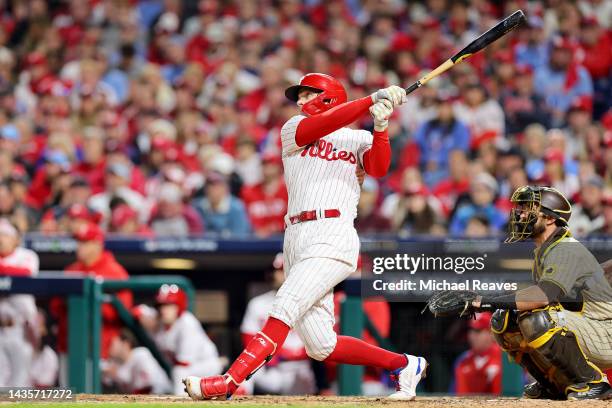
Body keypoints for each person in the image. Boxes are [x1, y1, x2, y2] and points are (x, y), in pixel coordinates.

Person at [183, 73, 427, 400]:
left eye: (306, 94)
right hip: (296, 235)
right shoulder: (293, 129)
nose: (299, 101)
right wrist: (371, 100)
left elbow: (380, 168)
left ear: (327, 96)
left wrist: (380, 128)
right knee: (320, 345)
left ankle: (229, 383)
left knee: (284, 304)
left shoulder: (358, 139)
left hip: (333, 233)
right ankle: (403, 364)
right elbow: (322, 125)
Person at [431, 186, 612, 400]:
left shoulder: (565, 248)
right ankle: (552, 383)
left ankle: (593, 382)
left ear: (550, 219)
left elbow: (543, 296)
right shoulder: (546, 249)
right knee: (505, 320)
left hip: (605, 331)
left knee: (537, 318)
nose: (521, 214)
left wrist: (484, 301)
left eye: (529, 209)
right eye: (521, 208)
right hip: (588, 327)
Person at [52, 222, 133, 369]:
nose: (79, 247)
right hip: (70, 349)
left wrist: (92, 304)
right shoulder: (71, 271)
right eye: (78, 242)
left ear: (98, 244)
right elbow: (55, 308)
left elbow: (123, 313)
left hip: (101, 351)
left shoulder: (115, 272)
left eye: (85, 242)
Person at [239, 253, 315, 395]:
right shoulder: (258, 303)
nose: (279, 275)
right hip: (268, 366)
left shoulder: (308, 303)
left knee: (299, 380)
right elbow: (248, 339)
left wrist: (292, 354)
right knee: (243, 371)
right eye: (277, 271)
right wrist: (276, 354)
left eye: (284, 270)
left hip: (298, 367)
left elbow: (318, 342)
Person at [153, 284, 223, 395]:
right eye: (161, 305)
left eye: (169, 305)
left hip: (205, 367)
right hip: (186, 369)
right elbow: (141, 311)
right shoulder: (160, 323)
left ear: (179, 306)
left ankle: (181, 403)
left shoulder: (187, 323)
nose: (163, 310)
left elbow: (183, 364)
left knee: (179, 371)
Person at [0, 218, 39, 386]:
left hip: (22, 328)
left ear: (16, 239)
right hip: (1, 328)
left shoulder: (27, 255)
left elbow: (26, 273)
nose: (1, 239)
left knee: (21, 383)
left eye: (5, 235)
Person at [104, 329, 172, 394]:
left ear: (126, 344)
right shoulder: (116, 365)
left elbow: (149, 387)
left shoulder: (141, 354)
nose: (111, 347)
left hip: (163, 395)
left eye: (114, 343)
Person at [453, 312, 501, 395]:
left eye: (478, 331)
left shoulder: (505, 358)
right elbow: (457, 395)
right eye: (470, 330)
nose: (472, 335)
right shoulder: (463, 360)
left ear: (491, 333)